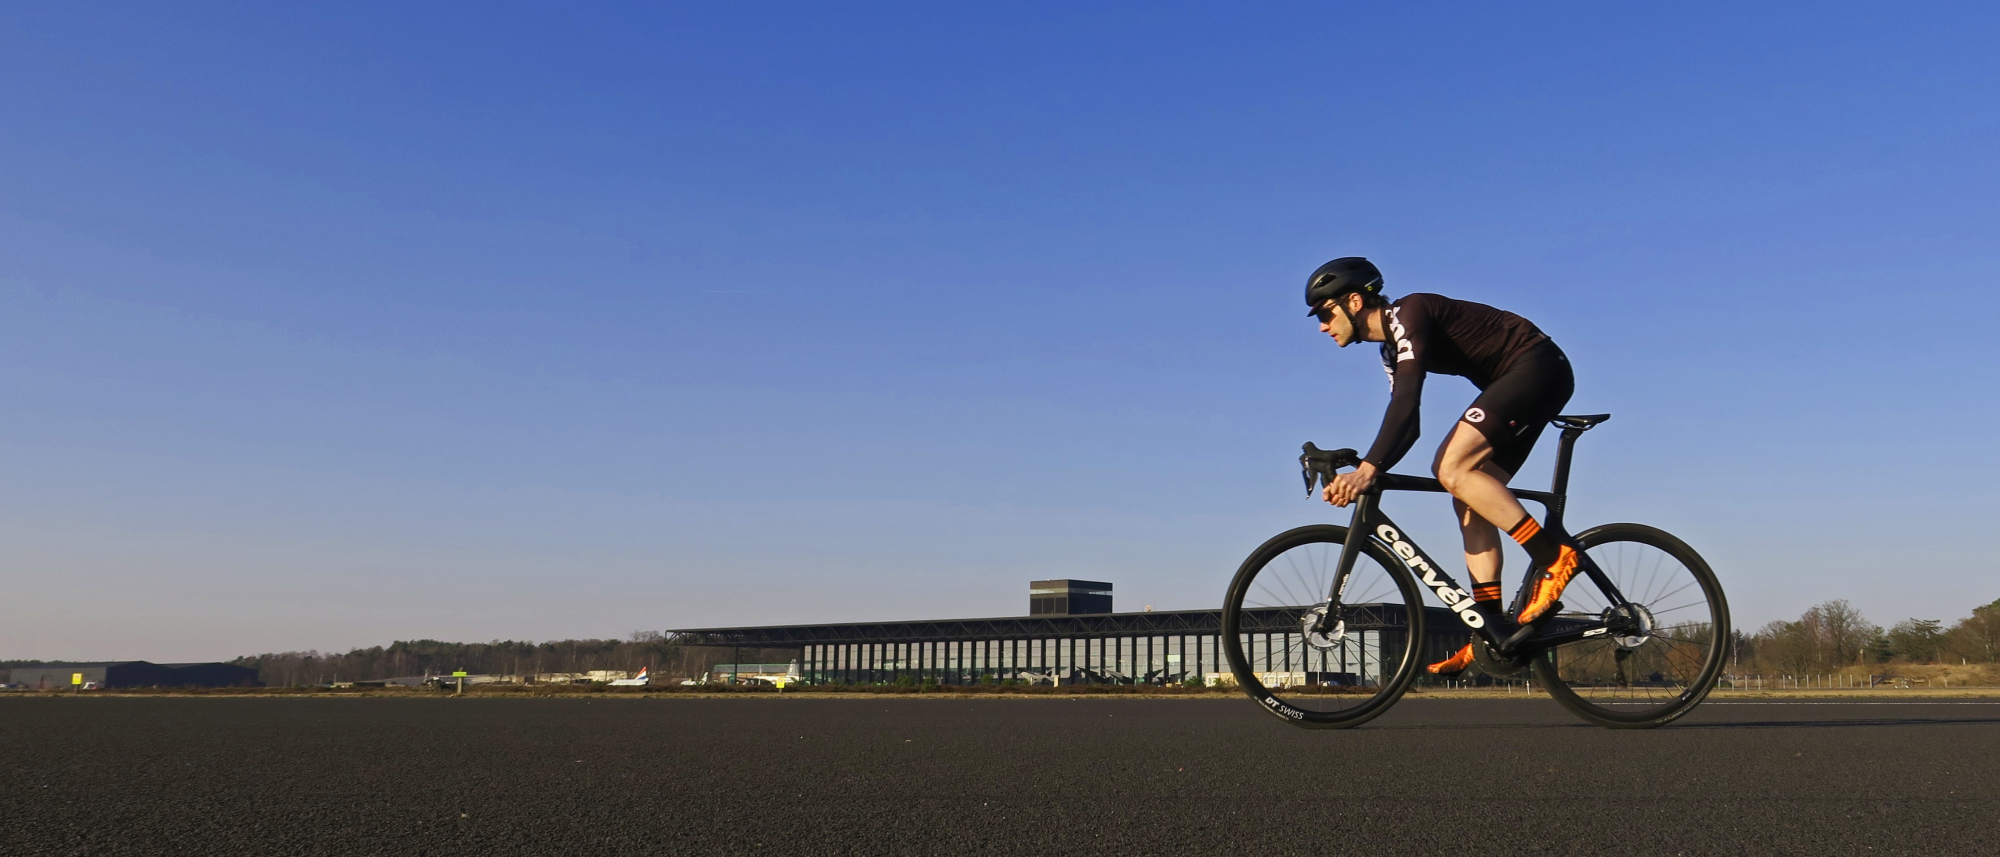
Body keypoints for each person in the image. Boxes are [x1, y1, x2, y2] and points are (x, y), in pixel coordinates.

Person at [1304, 256, 1582, 674]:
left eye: (1326, 313)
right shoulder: (1388, 350)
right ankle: (1491, 630)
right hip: (1519, 380)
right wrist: (1369, 465)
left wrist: (1367, 470)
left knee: (1450, 466)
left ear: (1355, 302)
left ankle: (1554, 556)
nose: (1323, 326)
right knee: (1468, 495)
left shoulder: (1408, 313)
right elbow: (1408, 425)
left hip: (1536, 366)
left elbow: (1406, 401)